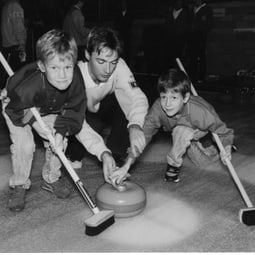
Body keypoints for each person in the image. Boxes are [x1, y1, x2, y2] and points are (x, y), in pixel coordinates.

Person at [1, 29, 86, 212]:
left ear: (74, 64)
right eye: (54, 68)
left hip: (47, 105)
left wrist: (60, 132)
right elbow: (13, 110)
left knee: (58, 142)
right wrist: (35, 123)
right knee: (25, 146)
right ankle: (19, 184)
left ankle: (51, 178)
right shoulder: (27, 87)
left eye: (67, 67)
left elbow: (74, 109)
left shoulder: (76, 80)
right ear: (41, 66)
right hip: (17, 105)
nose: (62, 75)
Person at [110, 68, 234, 184]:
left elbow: (224, 132)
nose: (167, 104)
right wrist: (126, 166)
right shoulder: (158, 109)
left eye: (174, 97)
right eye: (164, 97)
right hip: (180, 130)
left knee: (181, 131)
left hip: (200, 127)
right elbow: (143, 137)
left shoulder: (202, 113)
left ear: (185, 98)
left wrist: (226, 147)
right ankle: (213, 149)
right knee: (202, 162)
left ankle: (173, 166)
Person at [66, 26, 149, 183]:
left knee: (124, 102)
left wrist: (135, 125)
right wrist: (102, 152)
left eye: (113, 62)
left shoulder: (119, 66)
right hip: (82, 114)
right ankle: (74, 151)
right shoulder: (74, 75)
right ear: (87, 54)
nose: (108, 69)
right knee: (76, 132)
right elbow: (78, 122)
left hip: (105, 107)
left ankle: (116, 156)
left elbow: (136, 98)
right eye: (101, 61)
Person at [186, 0, 213, 83]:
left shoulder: (207, 9)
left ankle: (201, 77)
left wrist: (202, 31)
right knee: (192, 56)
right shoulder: (192, 9)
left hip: (201, 35)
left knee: (201, 55)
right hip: (192, 35)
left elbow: (209, 23)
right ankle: (192, 76)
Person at [1, 0, 27, 71]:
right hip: (16, 47)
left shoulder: (6, 5)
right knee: (19, 76)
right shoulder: (14, 6)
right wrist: (22, 46)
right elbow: (18, 28)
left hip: (7, 47)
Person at [165, 0, 190, 69]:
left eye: (180, 2)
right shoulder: (170, 12)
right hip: (170, 39)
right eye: (177, 2)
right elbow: (167, 25)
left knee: (178, 57)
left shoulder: (186, 13)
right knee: (169, 57)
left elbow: (185, 27)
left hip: (180, 40)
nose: (178, 3)